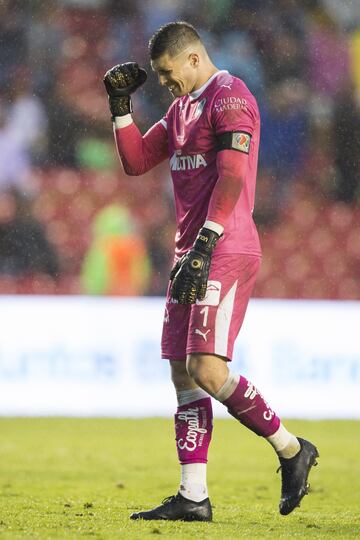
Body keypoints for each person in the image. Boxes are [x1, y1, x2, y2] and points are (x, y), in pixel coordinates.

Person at [103, 21, 319, 522]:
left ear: (194, 59)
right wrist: (120, 109)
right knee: (183, 373)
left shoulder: (230, 97)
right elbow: (136, 161)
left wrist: (206, 240)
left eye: (167, 71)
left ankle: (292, 449)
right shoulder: (182, 110)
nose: (163, 82)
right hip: (190, 251)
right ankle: (193, 496)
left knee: (206, 367)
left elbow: (233, 174)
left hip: (223, 247)